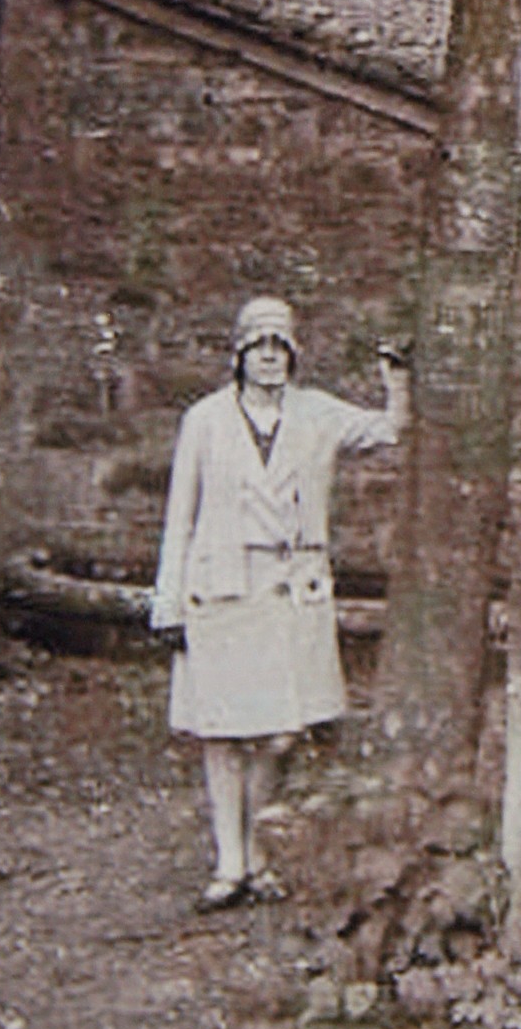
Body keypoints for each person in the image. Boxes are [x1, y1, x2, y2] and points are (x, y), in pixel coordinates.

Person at [149, 295, 410, 910]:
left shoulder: (316, 414)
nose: (269, 359)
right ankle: (231, 861)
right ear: (238, 355)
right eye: (258, 347)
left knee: (283, 732)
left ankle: (258, 846)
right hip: (222, 586)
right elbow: (178, 515)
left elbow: (392, 429)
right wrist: (169, 602)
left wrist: (397, 378)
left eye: (280, 348)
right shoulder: (206, 419)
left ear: (293, 355)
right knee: (222, 730)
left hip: (292, 590)